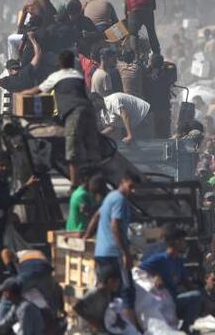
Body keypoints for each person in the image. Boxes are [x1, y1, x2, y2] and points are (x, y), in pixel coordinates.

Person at [26, 49, 100, 187]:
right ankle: (95, 181)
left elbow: (36, 91)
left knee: (72, 150)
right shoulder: (78, 75)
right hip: (88, 110)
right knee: (91, 148)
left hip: (74, 112)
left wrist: (21, 94)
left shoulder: (57, 76)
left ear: (59, 64)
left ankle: (74, 185)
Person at [0, 151, 40, 317]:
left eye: (7, 165)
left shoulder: (3, 182)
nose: (5, 168)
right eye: (2, 165)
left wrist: (26, 186)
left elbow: (9, 201)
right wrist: (3, 215)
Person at [87, 173, 139, 311]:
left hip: (102, 253)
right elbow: (115, 226)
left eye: (135, 188)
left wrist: (86, 236)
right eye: (131, 187)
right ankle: (130, 325)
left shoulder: (111, 197)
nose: (133, 191)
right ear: (122, 182)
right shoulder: (119, 200)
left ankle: (110, 321)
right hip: (113, 254)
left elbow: (97, 216)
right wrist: (125, 253)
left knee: (108, 292)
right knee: (127, 292)